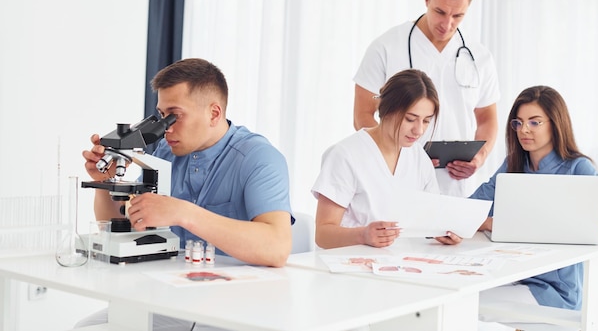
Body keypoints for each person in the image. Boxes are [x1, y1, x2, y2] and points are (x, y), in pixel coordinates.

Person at [78, 58, 294, 330]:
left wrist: (183, 213)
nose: (166, 128)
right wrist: (104, 182)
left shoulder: (259, 158)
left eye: (175, 116)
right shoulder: (164, 154)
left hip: (235, 306)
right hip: (172, 295)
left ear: (214, 113)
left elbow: (276, 248)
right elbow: (120, 222)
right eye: (161, 116)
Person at [469, 85, 598, 330]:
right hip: (514, 275)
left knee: (466, 303)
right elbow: (470, 212)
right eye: (518, 123)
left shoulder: (578, 168)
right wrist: (490, 222)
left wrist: (530, 225)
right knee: (458, 292)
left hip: (557, 292)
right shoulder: (513, 165)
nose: (524, 130)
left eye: (535, 122)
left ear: (555, 124)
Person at [353, 0, 500, 198]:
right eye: (440, 12)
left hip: (455, 188)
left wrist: (480, 157)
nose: (447, 23)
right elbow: (362, 115)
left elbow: (487, 119)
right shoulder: (386, 47)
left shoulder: (479, 57)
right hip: (398, 180)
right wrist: (398, 156)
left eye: (458, 16)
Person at [312, 69, 462, 249]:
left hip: (403, 263)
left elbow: (432, 217)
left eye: (426, 121)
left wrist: (444, 231)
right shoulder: (345, 155)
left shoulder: (418, 157)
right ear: (387, 110)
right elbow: (323, 235)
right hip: (352, 265)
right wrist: (362, 235)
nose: (419, 130)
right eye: (410, 119)